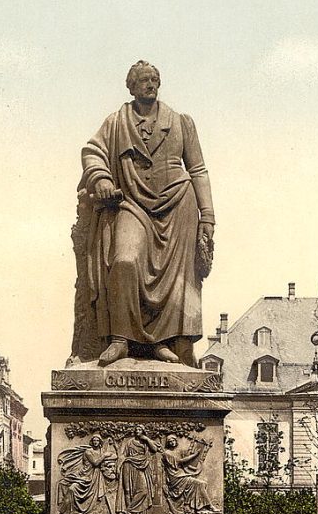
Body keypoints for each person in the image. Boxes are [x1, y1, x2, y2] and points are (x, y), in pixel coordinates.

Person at [76, 61, 215, 367]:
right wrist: (101, 178)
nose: (151, 84)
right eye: (143, 80)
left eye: (154, 79)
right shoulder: (116, 123)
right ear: (132, 87)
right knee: (124, 261)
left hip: (178, 205)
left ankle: (161, 344)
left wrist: (207, 215)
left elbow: (199, 170)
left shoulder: (181, 123)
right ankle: (121, 339)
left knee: (177, 279)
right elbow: (92, 152)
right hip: (131, 203)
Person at [161, 435, 219, 514]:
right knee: (200, 484)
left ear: (176, 441)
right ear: (167, 443)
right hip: (176, 478)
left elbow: (184, 462)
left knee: (202, 484)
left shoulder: (177, 451)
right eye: (170, 442)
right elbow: (180, 461)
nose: (172, 442)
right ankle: (209, 506)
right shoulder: (167, 453)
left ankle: (195, 507)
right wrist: (195, 455)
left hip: (181, 475)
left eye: (173, 440)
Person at [56, 435, 117, 514]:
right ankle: (62, 512)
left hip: (95, 477)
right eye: (94, 440)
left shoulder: (101, 451)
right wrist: (104, 455)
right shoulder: (88, 452)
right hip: (85, 476)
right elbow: (95, 463)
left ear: (100, 442)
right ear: (92, 442)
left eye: (97, 440)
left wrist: (109, 452)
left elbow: (115, 456)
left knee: (72, 489)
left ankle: (65, 512)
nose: (95, 442)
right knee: (71, 488)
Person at [116, 424, 159, 514]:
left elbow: (154, 449)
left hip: (142, 466)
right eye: (136, 429)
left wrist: (147, 439)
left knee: (143, 491)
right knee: (128, 491)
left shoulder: (145, 442)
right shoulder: (129, 442)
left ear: (143, 431)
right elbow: (123, 455)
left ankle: (128, 511)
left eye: (140, 429)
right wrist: (118, 467)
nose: (137, 431)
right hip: (129, 465)